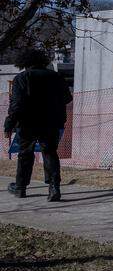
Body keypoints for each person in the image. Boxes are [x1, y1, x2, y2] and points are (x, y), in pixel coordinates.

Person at [5, 48, 72, 201]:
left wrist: (9, 124)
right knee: (50, 152)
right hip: (52, 122)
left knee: (25, 154)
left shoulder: (22, 77)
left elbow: (16, 104)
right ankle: (54, 187)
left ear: (24, 62)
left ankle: (20, 187)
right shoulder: (56, 76)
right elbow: (67, 98)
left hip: (27, 122)